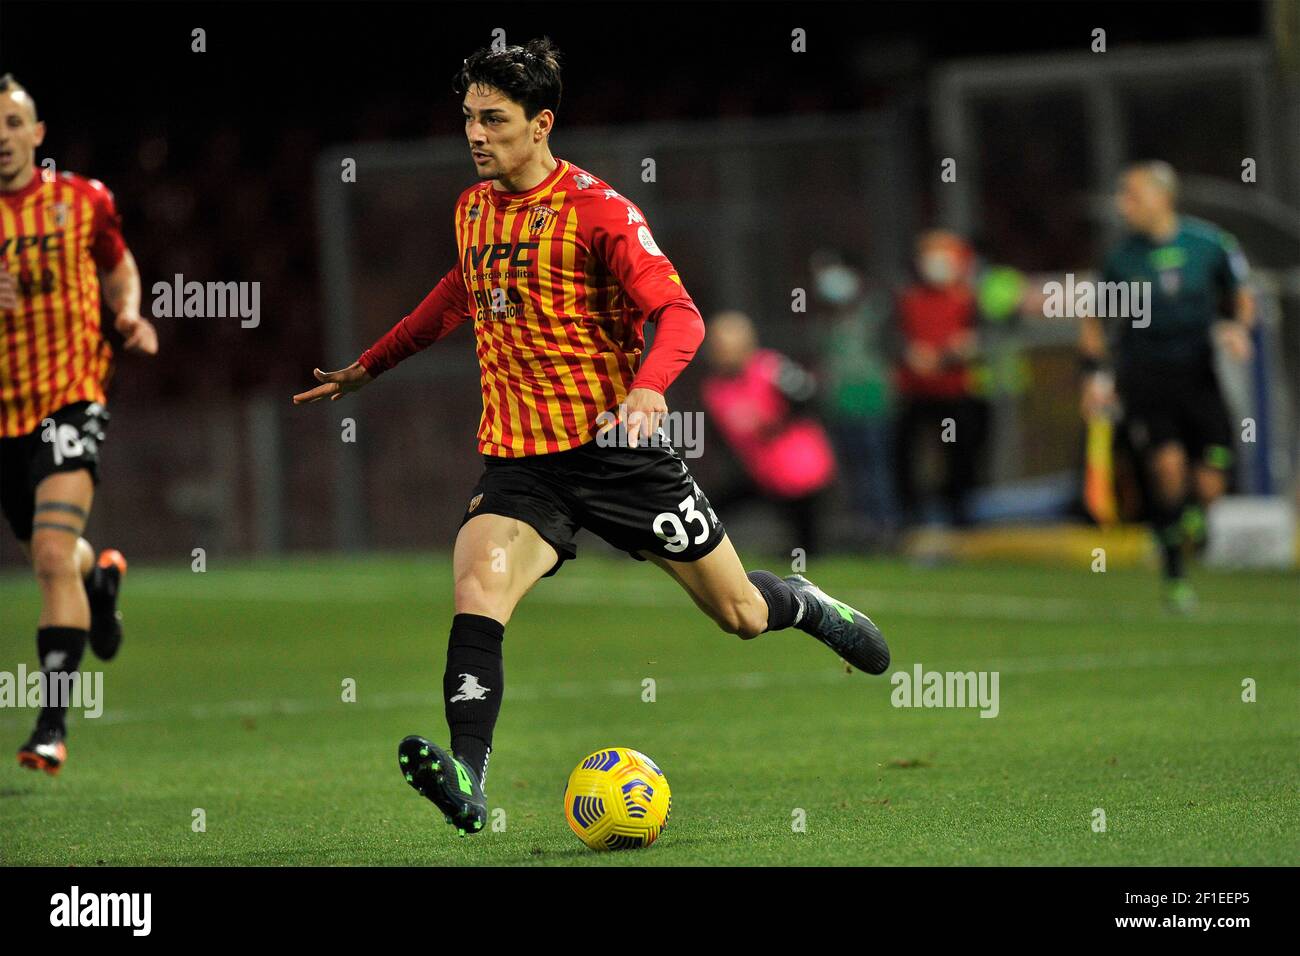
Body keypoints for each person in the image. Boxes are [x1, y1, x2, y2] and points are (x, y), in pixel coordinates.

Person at [293, 39, 891, 837]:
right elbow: (455, 295)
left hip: (619, 454)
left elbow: (680, 314)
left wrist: (649, 388)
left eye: (494, 119)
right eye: (468, 117)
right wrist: (372, 365)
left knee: (740, 614)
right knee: (477, 589)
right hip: (520, 463)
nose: (475, 133)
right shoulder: (472, 207)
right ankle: (468, 772)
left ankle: (803, 602)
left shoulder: (600, 210)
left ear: (540, 124)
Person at [0, 74, 157, 774]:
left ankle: (51, 726)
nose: (1, 138)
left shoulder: (81, 200)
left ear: (36, 134)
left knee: (50, 557)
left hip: (70, 396)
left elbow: (119, 267)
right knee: (56, 554)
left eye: (12, 123)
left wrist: (129, 311)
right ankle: (100, 583)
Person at [1080, 161, 1254, 611]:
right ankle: (1176, 574)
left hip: (1199, 373)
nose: (1124, 205)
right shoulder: (1121, 257)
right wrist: (1095, 376)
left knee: (1212, 478)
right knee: (1168, 468)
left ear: (1163, 197)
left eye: (1132, 195)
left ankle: (1189, 522)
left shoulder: (1210, 243)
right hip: (1144, 375)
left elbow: (1241, 294)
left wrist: (1236, 327)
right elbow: (1095, 319)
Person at [699, 310, 837, 555]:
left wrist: (775, 424)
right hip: (762, 471)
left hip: (801, 472)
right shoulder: (714, 388)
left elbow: (809, 398)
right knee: (710, 506)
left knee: (806, 545)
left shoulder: (772, 367)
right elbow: (720, 437)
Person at [893, 230, 988, 527]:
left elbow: (981, 338)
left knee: (961, 457)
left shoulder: (969, 299)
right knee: (905, 455)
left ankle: (963, 519)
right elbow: (892, 337)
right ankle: (911, 520)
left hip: (956, 393)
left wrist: (952, 354)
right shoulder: (908, 299)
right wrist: (910, 353)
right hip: (917, 393)